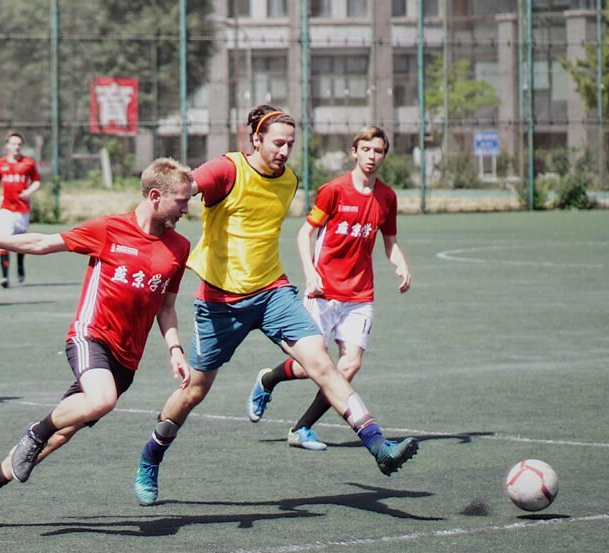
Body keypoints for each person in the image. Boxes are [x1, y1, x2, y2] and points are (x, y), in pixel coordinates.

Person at [132, 105, 419, 507]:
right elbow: (180, 190)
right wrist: (147, 227)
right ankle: (151, 456)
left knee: (322, 363)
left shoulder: (289, 181)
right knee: (194, 390)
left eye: (290, 144)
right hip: (220, 301)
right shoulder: (226, 170)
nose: (284, 151)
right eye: (277, 143)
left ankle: (377, 445)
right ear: (256, 140)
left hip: (272, 292)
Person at [0, 158, 193, 532]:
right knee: (100, 401)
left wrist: (175, 350)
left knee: (63, 433)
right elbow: (41, 242)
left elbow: (167, 307)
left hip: (126, 360)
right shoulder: (109, 229)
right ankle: (35, 432)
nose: (186, 208)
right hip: (90, 336)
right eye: (181, 200)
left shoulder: (179, 247)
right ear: (155, 196)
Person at [253, 126, 412, 451]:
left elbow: (390, 242)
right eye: (365, 149)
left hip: (360, 295)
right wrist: (310, 272)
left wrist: (401, 264)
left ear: (384, 155)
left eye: (378, 151)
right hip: (323, 292)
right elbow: (304, 234)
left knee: (349, 365)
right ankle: (268, 379)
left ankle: (302, 427)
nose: (372, 156)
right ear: (354, 152)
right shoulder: (334, 190)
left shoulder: (387, 197)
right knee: (310, 367)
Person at [0, 131, 41, 287]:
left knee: (20, 243)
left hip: (22, 210)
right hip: (6, 209)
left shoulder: (28, 163)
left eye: (19, 144)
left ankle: (20, 265)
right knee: (4, 240)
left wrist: (28, 192)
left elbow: (36, 181)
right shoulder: (0, 163)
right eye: (13, 144)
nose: (16, 147)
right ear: (7, 145)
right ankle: (4, 276)